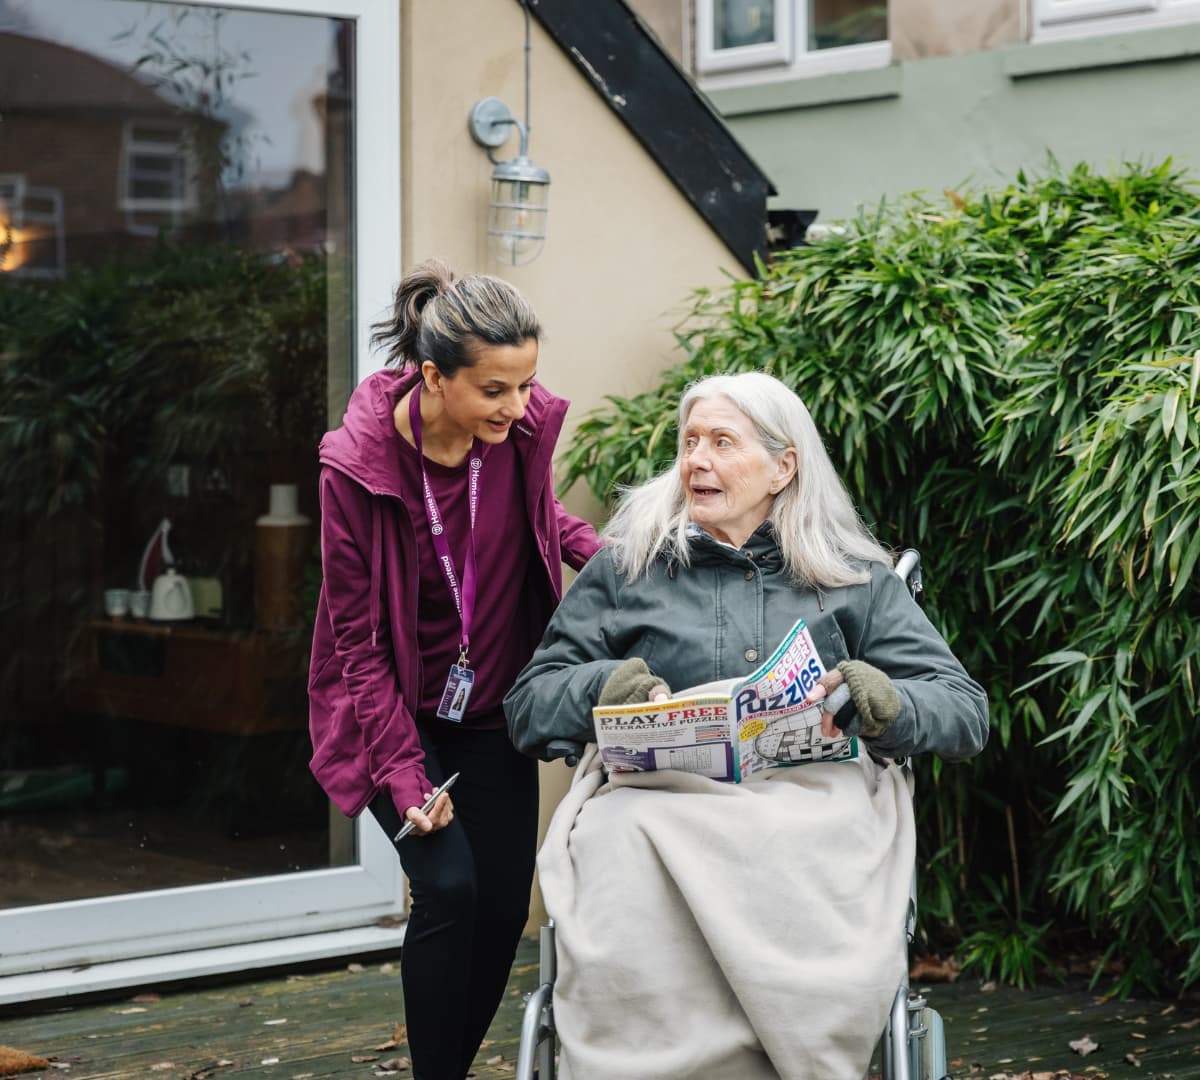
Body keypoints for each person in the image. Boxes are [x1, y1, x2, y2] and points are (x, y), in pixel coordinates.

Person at [503, 371, 988, 1078]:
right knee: (618, 844)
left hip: (812, 806)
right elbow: (529, 705)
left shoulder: (853, 576)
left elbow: (964, 708)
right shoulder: (627, 569)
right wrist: (604, 688)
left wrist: (884, 702)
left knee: (806, 844)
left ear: (782, 466)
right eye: (689, 442)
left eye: (722, 443)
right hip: (657, 806)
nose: (696, 460)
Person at [307, 258, 601, 1080]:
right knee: (451, 887)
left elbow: (542, 521)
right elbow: (355, 644)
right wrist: (404, 778)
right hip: (391, 714)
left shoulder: (514, 435)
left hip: (491, 707)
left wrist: (618, 558)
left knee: (507, 905)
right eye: (496, 390)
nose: (519, 407)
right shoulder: (356, 469)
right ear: (433, 377)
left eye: (525, 384)